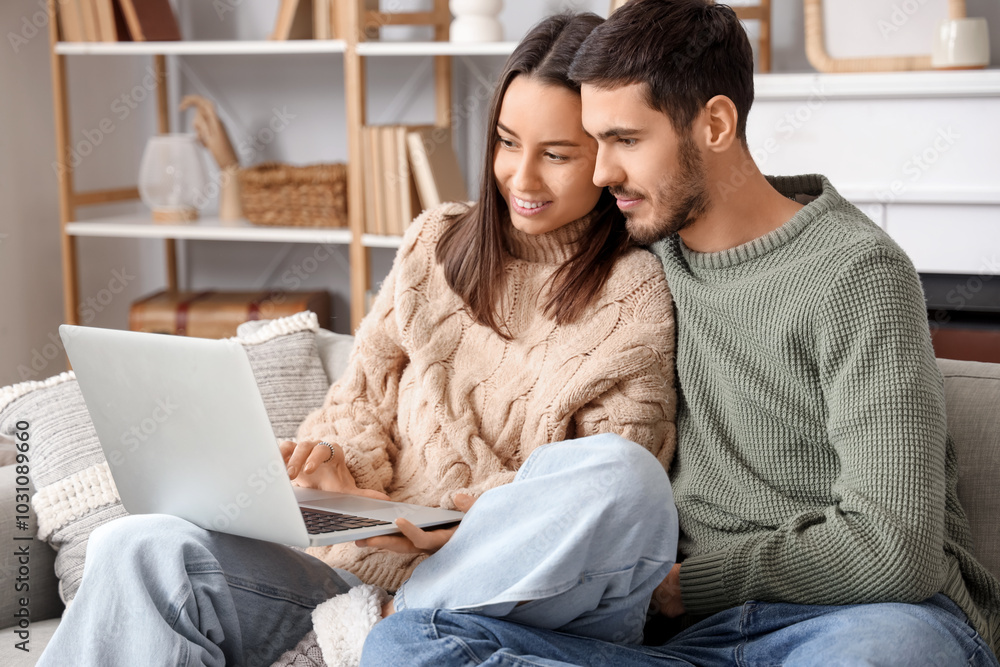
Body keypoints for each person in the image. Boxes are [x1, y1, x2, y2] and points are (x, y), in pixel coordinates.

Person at [362, 1, 1000, 665]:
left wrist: (686, 585)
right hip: (688, 643)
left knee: (890, 652)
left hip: (856, 622)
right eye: (594, 140)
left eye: (626, 140)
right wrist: (484, 534)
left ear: (716, 124)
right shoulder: (642, 267)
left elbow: (894, 547)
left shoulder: (856, 275)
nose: (601, 172)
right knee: (406, 643)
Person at [37, 14, 680, 667]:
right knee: (140, 546)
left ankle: (365, 638)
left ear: (603, 157)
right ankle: (361, 634)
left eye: (556, 154)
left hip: (511, 601)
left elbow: (594, 499)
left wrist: (459, 529)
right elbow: (359, 401)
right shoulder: (435, 242)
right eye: (508, 143)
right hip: (358, 583)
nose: (520, 178)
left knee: (622, 477)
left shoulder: (635, 293)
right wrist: (340, 472)